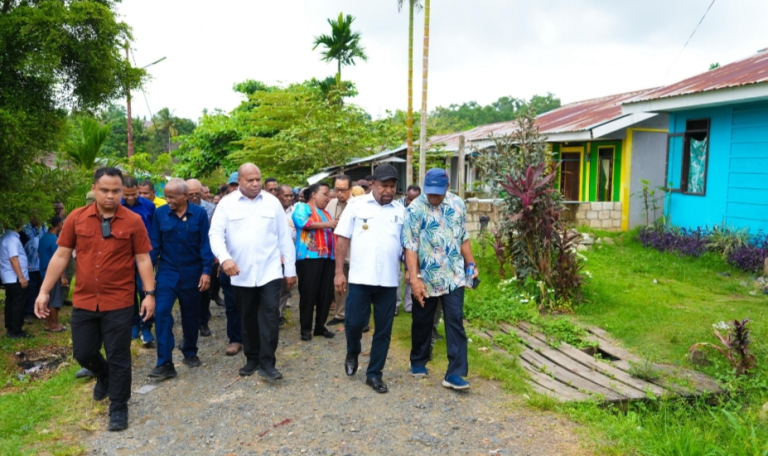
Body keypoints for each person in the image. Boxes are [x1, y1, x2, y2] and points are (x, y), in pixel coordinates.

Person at [35, 167, 156, 431]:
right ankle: (103, 374)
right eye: (104, 190)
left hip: (119, 301)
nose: (110, 196)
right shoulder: (76, 218)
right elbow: (61, 255)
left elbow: (143, 259)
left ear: (122, 191)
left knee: (118, 355)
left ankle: (119, 408)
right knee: (83, 352)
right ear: (94, 189)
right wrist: (44, 290)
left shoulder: (133, 221)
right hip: (85, 299)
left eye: (116, 190)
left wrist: (149, 294)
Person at [209, 163, 296, 379]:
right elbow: (215, 234)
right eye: (250, 180)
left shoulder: (272, 203)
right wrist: (225, 258)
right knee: (247, 317)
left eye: (258, 179)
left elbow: (284, 238)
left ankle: (268, 363)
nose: (256, 184)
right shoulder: (227, 204)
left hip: (270, 270)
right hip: (240, 273)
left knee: (270, 316)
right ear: (239, 181)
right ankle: (252, 358)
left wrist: (290, 270)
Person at [403, 168, 478, 391]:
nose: (433, 196)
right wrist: (415, 278)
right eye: (430, 192)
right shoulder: (415, 208)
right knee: (422, 321)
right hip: (426, 277)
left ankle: (455, 373)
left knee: (455, 320)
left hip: (454, 275)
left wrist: (471, 264)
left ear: (447, 187)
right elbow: (410, 246)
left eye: (438, 192)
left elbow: (463, 237)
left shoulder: (458, 204)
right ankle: (418, 360)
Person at [334, 165, 405, 394]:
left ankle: (374, 374)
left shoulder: (401, 211)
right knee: (354, 323)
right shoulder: (356, 206)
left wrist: (412, 272)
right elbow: (342, 238)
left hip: (388, 281)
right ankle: (352, 351)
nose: (388, 190)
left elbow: (406, 246)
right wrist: (339, 272)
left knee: (383, 330)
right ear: (373, 183)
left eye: (392, 186)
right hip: (360, 278)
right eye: (384, 185)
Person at [148, 179, 214, 379]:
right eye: (166, 196)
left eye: (172, 197)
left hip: (192, 274)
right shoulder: (160, 214)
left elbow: (205, 244)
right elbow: (154, 244)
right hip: (167, 274)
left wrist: (206, 271)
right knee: (161, 313)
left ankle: (190, 351)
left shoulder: (199, 214)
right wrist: (147, 274)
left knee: (190, 315)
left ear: (185, 196)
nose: (168, 200)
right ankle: (164, 362)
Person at [292, 183, 336, 341]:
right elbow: (302, 223)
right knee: (308, 294)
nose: (328, 198)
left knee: (326, 294)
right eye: (325, 194)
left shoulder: (326, 213)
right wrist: (327, 225)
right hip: (309, 257)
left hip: (328, 257)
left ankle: (320, 327)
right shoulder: (303, 207)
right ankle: (305, 329)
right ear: (313, 195)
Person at [122, 176, 156, 346]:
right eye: (126, 195)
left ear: (138, 190)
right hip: (124, 259)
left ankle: (146, 326)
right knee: (129, 292)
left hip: (144, 257)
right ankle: (133, 324)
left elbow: (154, 231)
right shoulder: (117, 206)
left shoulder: (148, 206)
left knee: (145, 292)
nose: (130, 198)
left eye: (133, 194)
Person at [187, 178, 217, 336]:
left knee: (204, 290)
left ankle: (203, 322)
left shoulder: (211, 209)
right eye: (190, 194)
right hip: (188, 255)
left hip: (206, 254)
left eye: (197, 194)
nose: (194, 197)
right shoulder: (180, 209)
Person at [325, 175, 353, 326]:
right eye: (337, 190)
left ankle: (359, 318)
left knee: (356, 288)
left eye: (343, 190)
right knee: (339, 284)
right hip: (336, 252)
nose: (340, 193)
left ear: (350, 189)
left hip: (353, 252)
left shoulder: (357, 204)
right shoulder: (332, 203)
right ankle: (340, 314)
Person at [395, 185, 422, 315]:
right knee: (396, 276)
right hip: (397, 246)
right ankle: (395, 305)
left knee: (411, 274)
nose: (412, 202)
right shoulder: (397, 206)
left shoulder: (422, 208)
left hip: (413, 247)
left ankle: (409, 305)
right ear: (406, 195)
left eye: (415, 199)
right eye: (410, 199)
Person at [38, 216, 67, 332]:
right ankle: (54, 324)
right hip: (54, 274)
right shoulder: (55, 240)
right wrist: (63, 276)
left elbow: (39, 254)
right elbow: (58, 260)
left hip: (43, 272)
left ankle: (48, 323)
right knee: (54, 300)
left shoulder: (43, 238)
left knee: (48, 298)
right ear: (59, 224)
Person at [1, 224, 30, 338]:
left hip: (9, 277)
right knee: (18, 304)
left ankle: (10, 327)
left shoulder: (5, 236)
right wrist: (21, 277)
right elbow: (13, 258)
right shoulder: (12, 239)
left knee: (10, 302)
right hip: (15, 278)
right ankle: (16, 330)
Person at [277, 184, 296, 326]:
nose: (289, 198)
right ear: (278, 196)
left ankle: (278, 314)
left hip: (290, 257)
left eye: (291, 196)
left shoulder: (295, 212)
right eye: (286, 196)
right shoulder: (273, 211)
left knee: (286, 288)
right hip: (274, 257)